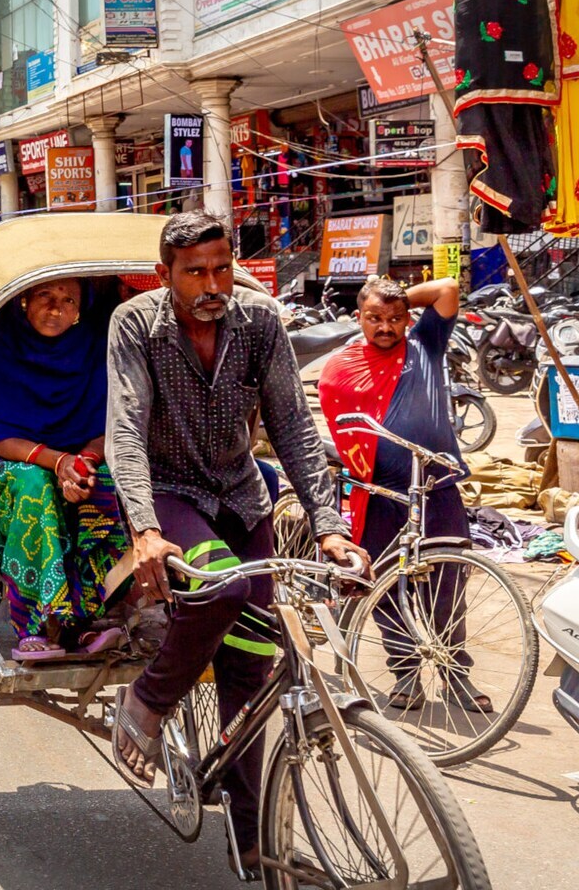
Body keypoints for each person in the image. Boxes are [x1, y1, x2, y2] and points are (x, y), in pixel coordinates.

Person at [104, 211, 370, 864]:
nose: (211, 282)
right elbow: (127, 430)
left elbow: (294, 428)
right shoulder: (135, 326)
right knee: (223, 591)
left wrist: (330, 527)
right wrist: (143, 530)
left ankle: (252, 846)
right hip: (168, 497)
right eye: (194, 271)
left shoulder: (259, 323)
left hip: (240, 494)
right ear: (164, 275)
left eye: (221, 266)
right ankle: (148, 699)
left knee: (251, 671)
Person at [319, 275, 486, 712]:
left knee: (449, 584)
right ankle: (406, 674)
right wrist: (380, 301)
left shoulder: (425, 344)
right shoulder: (340, 365)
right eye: (374, 318)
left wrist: (393, 298)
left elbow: (447, 288)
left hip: (438, 487)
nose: (386, 327)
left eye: (395, 319)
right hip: (379, 493)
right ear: (358, 318)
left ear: (408, 319)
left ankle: (456, 674)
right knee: (389, 589)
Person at [0, 278, 128, 660]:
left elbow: (106, 427)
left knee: (105, 483)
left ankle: (88, 619)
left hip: (70, 457)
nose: (56, 309)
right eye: (45, 297)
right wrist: (60, 463)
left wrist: (84, 462)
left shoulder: (91, 346)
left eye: (68, 300)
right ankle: (31, 622)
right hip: (0, 463)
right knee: (36, 485)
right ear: (24, 301)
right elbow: (1, 437)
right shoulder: (1, 342)